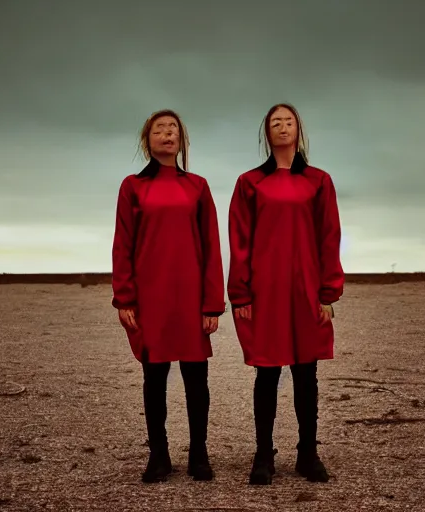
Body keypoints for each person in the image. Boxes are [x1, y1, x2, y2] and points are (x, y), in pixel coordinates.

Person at [227, 103, 344, 485]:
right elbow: (239, 240)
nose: (282, 127)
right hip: (266, 290)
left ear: (298, 130)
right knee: (267, 371)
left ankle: (307, 454)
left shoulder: (318, 180)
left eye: (288, 122)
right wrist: (240, 294)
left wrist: (328, 292)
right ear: (267, 133)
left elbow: (329, 237)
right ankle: (264, 455)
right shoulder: (250, 182)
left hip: (307, 289)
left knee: (306, 372)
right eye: (275, 123)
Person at [111, 109, 226, 484]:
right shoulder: (132, 186)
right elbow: (123, 244)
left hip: (191, 297)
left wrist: (212, 304)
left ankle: (199, 453)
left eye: (172, 129)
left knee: (197, 379)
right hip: (151, 297)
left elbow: (212, 245)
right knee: (154, 379)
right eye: (159, 129)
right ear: (148, 140)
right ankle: (158, 455)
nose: (166, 134)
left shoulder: (198, 186)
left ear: (181, 140)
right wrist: (124, 298)